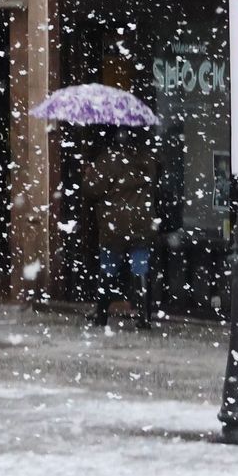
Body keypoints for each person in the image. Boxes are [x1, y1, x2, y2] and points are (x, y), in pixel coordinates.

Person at [81, 129, 159, 329]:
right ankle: (144, 317)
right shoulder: (147, 159)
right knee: (140, 265)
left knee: (108, 266)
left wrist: (88, 175)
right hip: (142, 220)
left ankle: (101, 315)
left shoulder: (108, 160)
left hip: (116, 222)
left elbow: (92, 190)